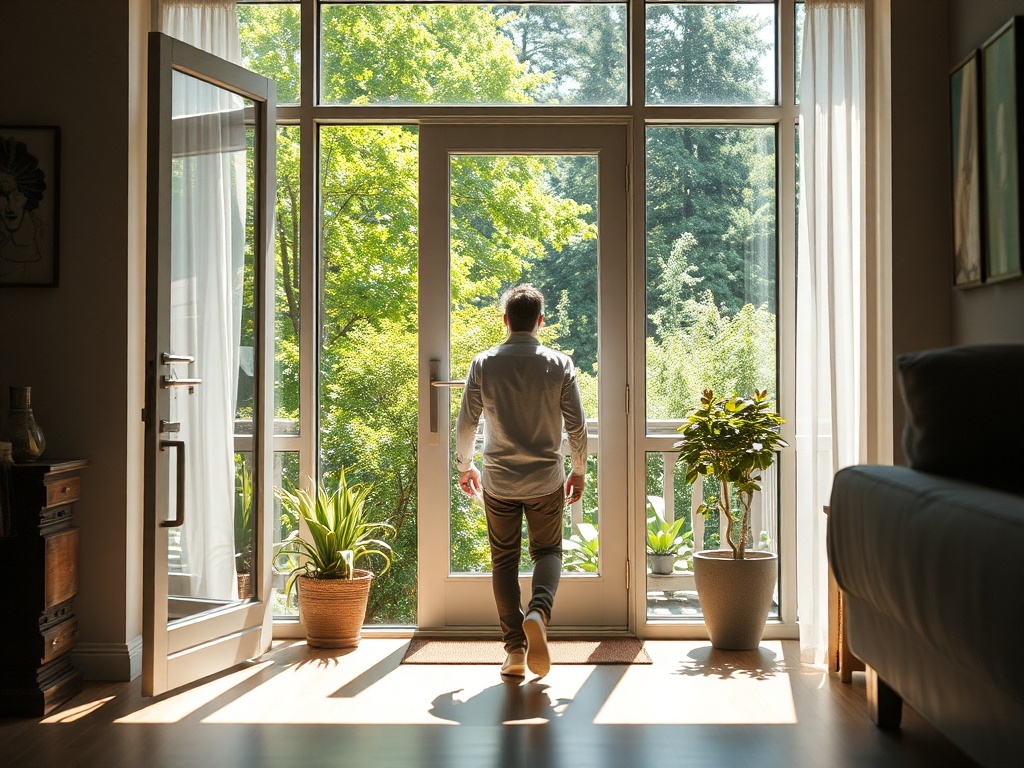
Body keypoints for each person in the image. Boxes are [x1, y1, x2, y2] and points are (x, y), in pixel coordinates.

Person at [454, 284, 588, 680]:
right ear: (541, 321)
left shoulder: (484, 363)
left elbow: (466, 423)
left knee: (504, 560)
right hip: (546, 479)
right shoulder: (559, 364)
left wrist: (465, 465)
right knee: (548, 552)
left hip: (499, 480)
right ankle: (538, 612)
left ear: (505, 320)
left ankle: (514, 652)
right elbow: (576, 426)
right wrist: (578, 469)